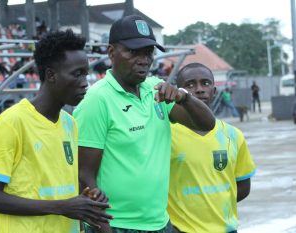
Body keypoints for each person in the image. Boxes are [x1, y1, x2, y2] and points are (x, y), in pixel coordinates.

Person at [73, 15, 215, 233]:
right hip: (117, 224)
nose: (143, 59)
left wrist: (184, 97)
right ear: (111, 52)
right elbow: (84, 175)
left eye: (148, 52)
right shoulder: (97, 100)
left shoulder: (157, 90)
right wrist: (104, 227)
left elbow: (206, 124)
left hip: (159, 223)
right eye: (133, 52)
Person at [0, 29, 113, 233]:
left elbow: (59, 186)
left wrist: (87, 198)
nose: (85, 83)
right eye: (77, 74)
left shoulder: (70, 123)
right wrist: (62, 207)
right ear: (51, 75)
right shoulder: (12, 121)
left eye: (86, 74)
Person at [168, 63, 256, 233]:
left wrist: (213, 203)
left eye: (206, 83)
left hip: (226, 229)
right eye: (190, 85)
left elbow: (243, 187)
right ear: (178, 92)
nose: (199, 89)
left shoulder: (233, 135)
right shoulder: (166, 134)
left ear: (214, 92)